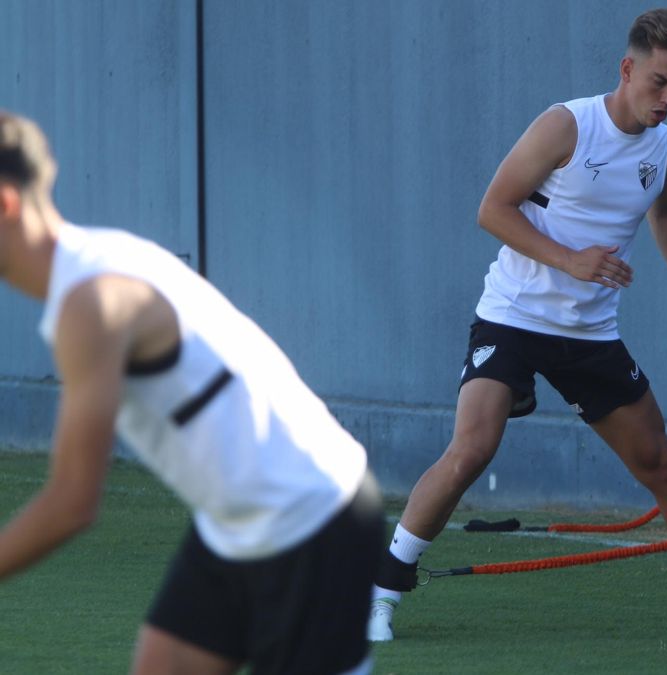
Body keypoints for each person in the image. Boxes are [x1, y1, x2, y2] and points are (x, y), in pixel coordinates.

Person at [368, 8, 667, 641]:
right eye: (658, 82)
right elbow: (493, 209)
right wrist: (574, 261)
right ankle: (379, 594)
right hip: (512, 316)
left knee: (662, 466)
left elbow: (665, 214)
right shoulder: (566, 125)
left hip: (589, 333)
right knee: (473, 449)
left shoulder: (666, 148)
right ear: (627, 68)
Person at [0, 111, 384, 674]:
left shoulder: (91, 302)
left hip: (314, 520)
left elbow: (73, 500)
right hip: (234, 529)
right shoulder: (91, 266)